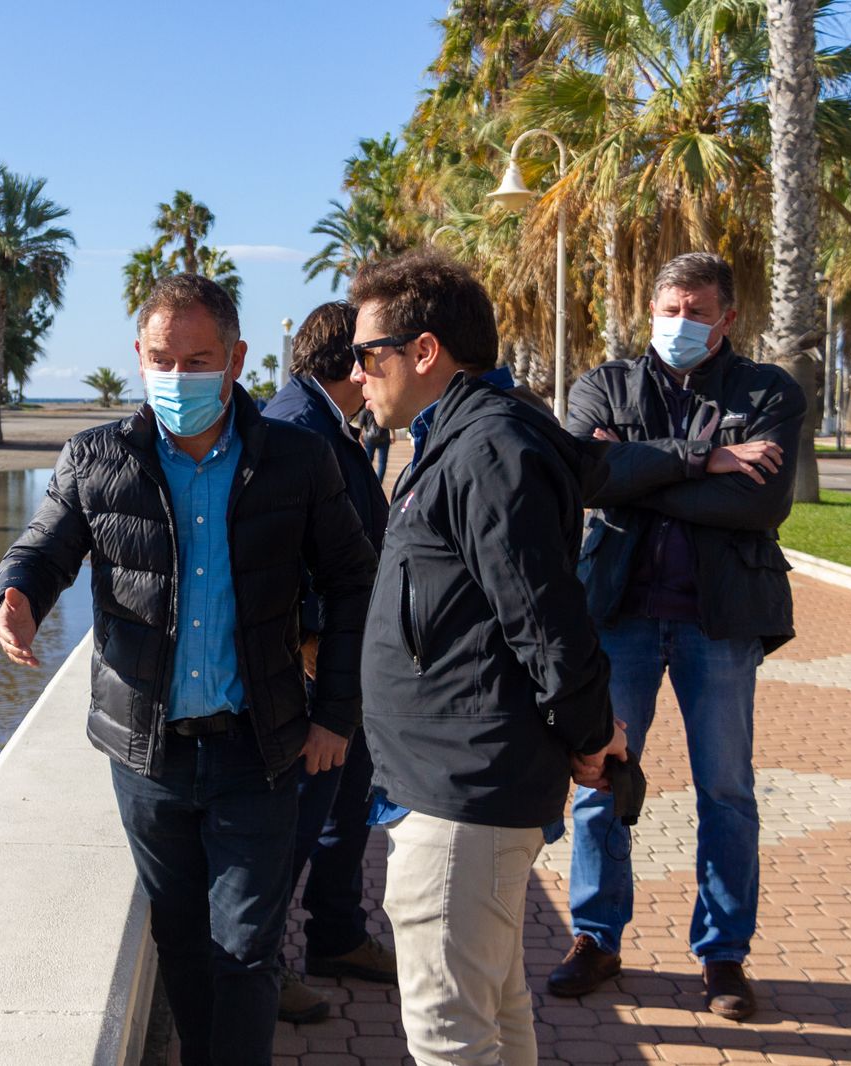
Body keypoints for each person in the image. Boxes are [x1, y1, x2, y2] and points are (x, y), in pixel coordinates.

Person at [0, 273, 377, 1066]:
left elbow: (353, 580)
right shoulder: (97, 458)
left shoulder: (297, 460)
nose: (177, 377)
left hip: (259, 751)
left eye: (198, 359)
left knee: (245, 953)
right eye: (161, 359)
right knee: (184, 948)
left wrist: (337, 712)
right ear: (138, 356)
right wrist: (18, 595)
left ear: (236, 359)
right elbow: (46, 546)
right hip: (150, 759)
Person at [353, 250, 625, 1066]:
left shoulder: (486, 449)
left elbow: (545, 618)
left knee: (451, 1038)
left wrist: (588, 735)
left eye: (370, 355)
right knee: (498, 1026)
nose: (359, 374)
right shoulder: (467, 439)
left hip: (464, 795)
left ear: (424, 351)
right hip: (459, 784)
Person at [548, 252, 805, 1021]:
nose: (679, 323)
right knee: (600, 781)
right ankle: (595, 937)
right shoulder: (606, 384)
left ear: (727, 318)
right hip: (619, 616)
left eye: (696, 310)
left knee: (726, 791)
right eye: (668, 308)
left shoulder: (769, 392)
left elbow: (761, 508)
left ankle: (724, 956)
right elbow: (582, 475)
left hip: (717, 624)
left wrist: (642, 474)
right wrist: (710, 460)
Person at [261, 302, 395, 1024]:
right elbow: (278, 557)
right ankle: (266, 966)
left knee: (347, 807)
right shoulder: (295, 427)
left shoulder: (325, 423)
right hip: (314, 670)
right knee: (299, 819)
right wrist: (315, 647)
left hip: (349, 662)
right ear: (355, 362)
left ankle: (337, 935)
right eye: (380, 354)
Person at [360, 409, 391, 482]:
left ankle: (367, 482)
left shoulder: (364, 411)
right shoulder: (383, 408)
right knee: (382, 463)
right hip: (384, 438)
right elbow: (390, 423)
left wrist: (361, 439)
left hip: (369, 439)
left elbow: (360, 427)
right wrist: (393, 434)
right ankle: (378, 483)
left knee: (368, 462)